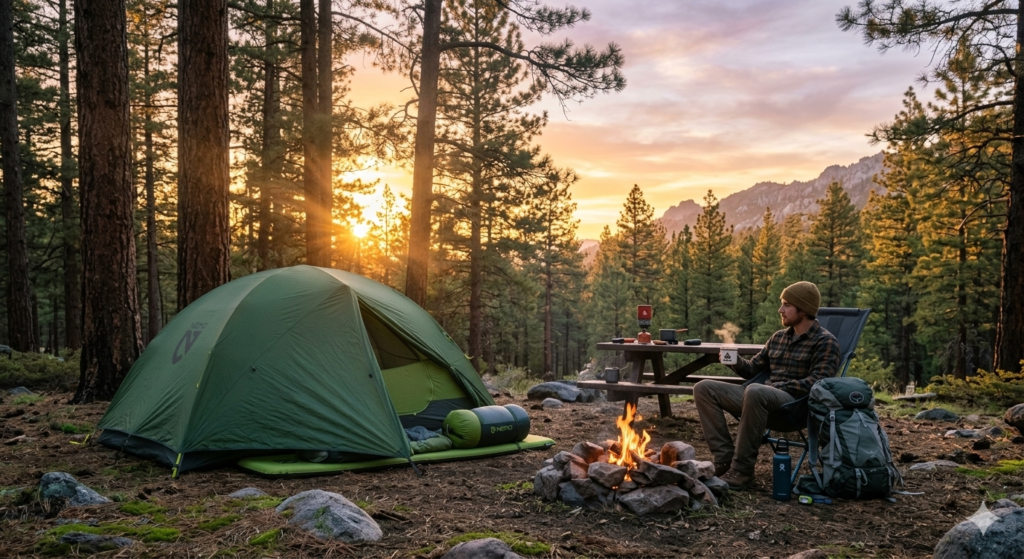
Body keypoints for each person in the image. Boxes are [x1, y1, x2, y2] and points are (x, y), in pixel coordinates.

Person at [693, 281, 840, 490]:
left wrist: (779, 387)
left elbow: (819, 383)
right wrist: (734, 361)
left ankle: (742, 471)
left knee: (755, 390)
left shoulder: (825, 342)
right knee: (704, 388)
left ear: (803, 309)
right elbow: (753, 369)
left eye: (786, 305)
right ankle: (724, 461)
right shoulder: (778, 338)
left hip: (795, 408)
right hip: (760, 400)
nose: (781, 310)